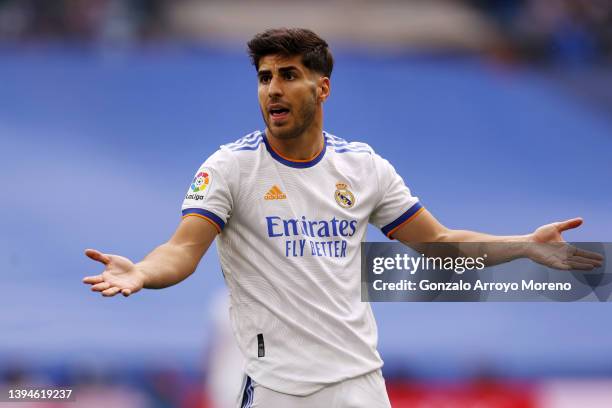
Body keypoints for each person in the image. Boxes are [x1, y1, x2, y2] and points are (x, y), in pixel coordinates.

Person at [83, 28, 603, 407]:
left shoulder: (363, 167)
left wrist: (526, 246)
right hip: (276, 391)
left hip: (359, 386)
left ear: (322, 88)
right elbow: (182, 250)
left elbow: (441, 245)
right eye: (265, 78)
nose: (273, 89)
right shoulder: (230, 167)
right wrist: (143, 273)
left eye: (289, 75)